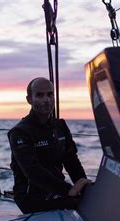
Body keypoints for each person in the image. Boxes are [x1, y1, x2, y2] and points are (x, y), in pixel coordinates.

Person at [8, 77, 90, 214]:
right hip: (31, 200)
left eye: (50, 94)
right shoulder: (20, 132)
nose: (46, 100)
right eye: (40, 95)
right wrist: (68, 190)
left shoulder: (60, 126)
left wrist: (83, 186)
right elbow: (33, 171)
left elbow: (71, 160)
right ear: (29, 99)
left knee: (91, 201)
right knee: (80, 204)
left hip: (56, 193)